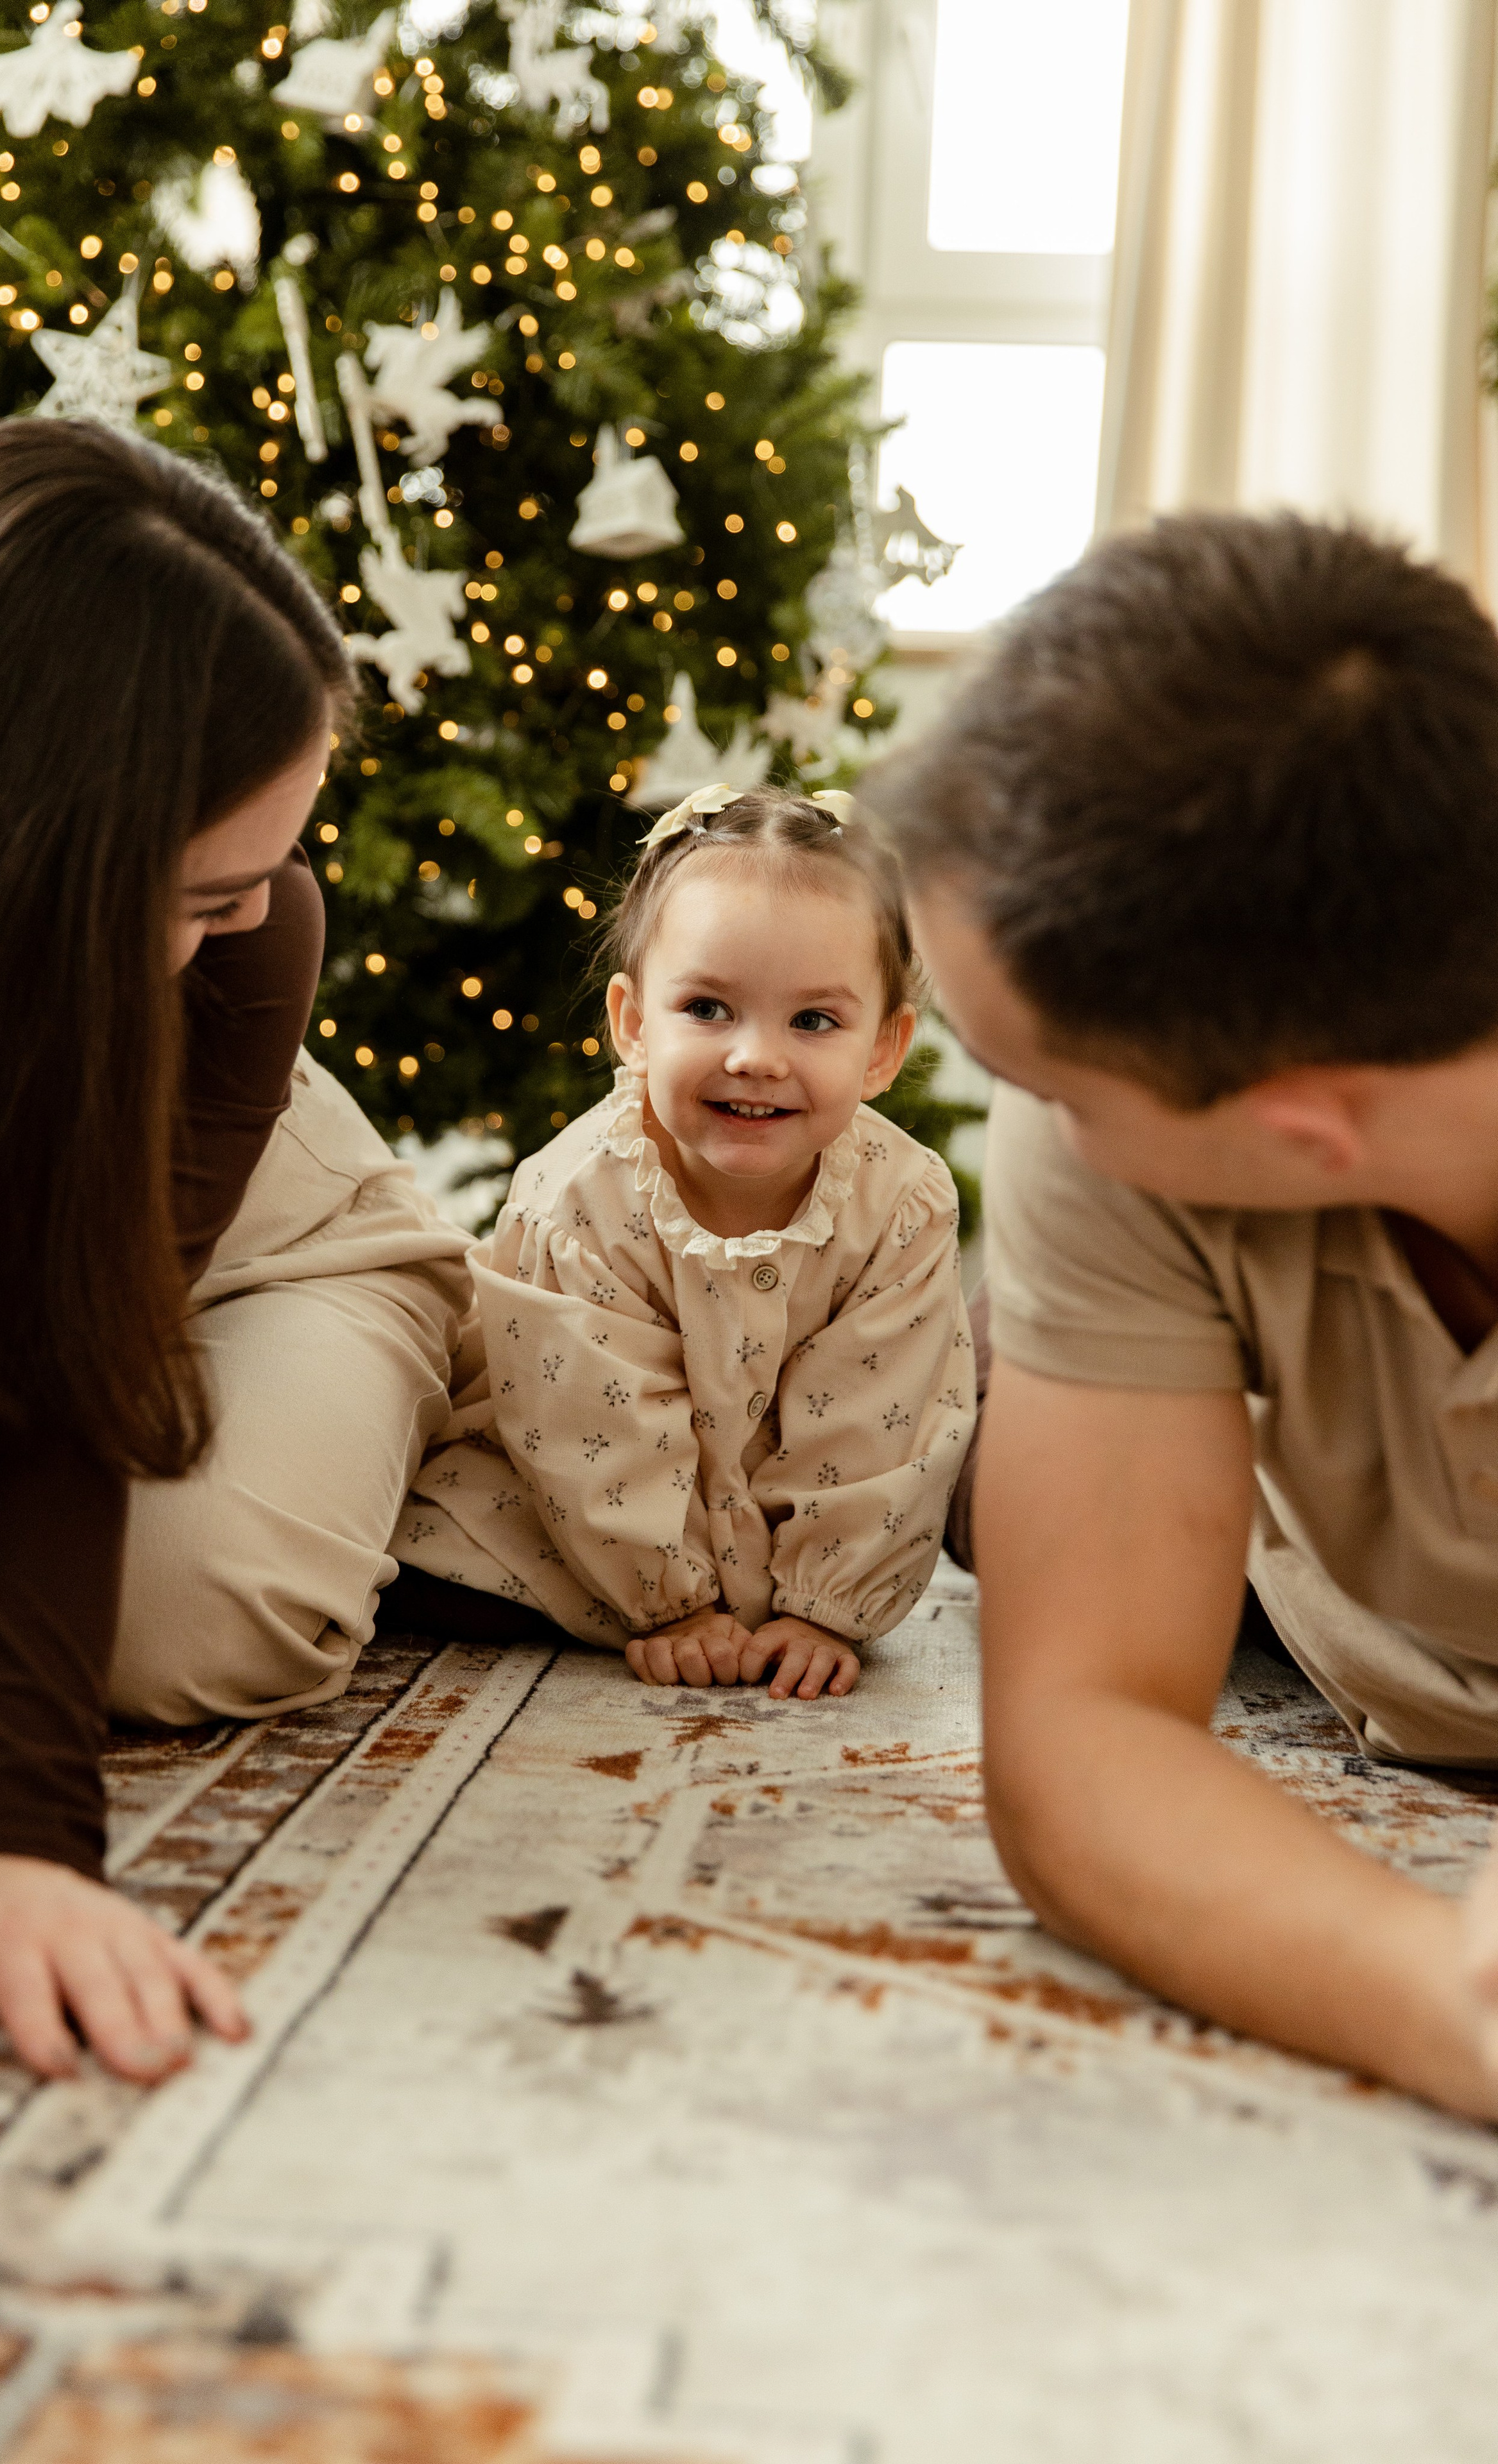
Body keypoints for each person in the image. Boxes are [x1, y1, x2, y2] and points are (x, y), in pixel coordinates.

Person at [0, 420, 472, 2085]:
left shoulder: (242, 950)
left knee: (205, 1605)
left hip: (252, 1246)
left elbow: (58, 1343)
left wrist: (22, 1840)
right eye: (207, 887)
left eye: (265, 875)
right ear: (18, 870)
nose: (264, 921)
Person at [868, 508, 1498, 2118]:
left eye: (1038, 1086)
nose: (1018, 1114)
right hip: (1300, 1573)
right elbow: (1076, 1739)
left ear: (1300, 1129)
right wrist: (1444, 1999)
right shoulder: (1121, 1110)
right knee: (988, 1505)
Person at [387, 783, 975, 1697]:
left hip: (774, 1525)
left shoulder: (900, 1203)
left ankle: (768, 1588)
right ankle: (635, 1590)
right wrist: (668, 1604)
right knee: (470, 1573)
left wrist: (823, 1605)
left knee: (880, 1433)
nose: (755, 1057)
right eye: (707, 1009)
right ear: (633, 1025)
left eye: (813, 1020)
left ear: (883, 1051)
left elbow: (882, 1412)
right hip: (574, 1499)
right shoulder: (581, 1196)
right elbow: (587, 1423)